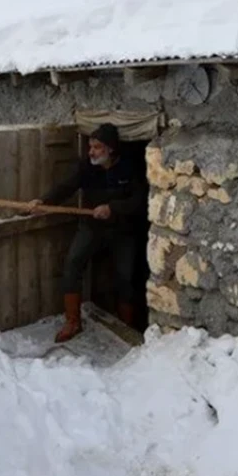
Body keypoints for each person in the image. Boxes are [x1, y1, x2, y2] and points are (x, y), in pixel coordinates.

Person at [31, 123, 149, 342]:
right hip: (92, 227)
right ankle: (73, 322)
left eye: (97, 147)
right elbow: (67, 186)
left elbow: (139, 200)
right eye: (90, 146)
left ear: (111, 149)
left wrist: (112, 208)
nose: (91, 151)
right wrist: (44, 201)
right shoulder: (86, 167)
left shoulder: (129, 168)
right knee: (73, 264)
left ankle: (128, 327)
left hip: (123, 229)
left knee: (126, 277)